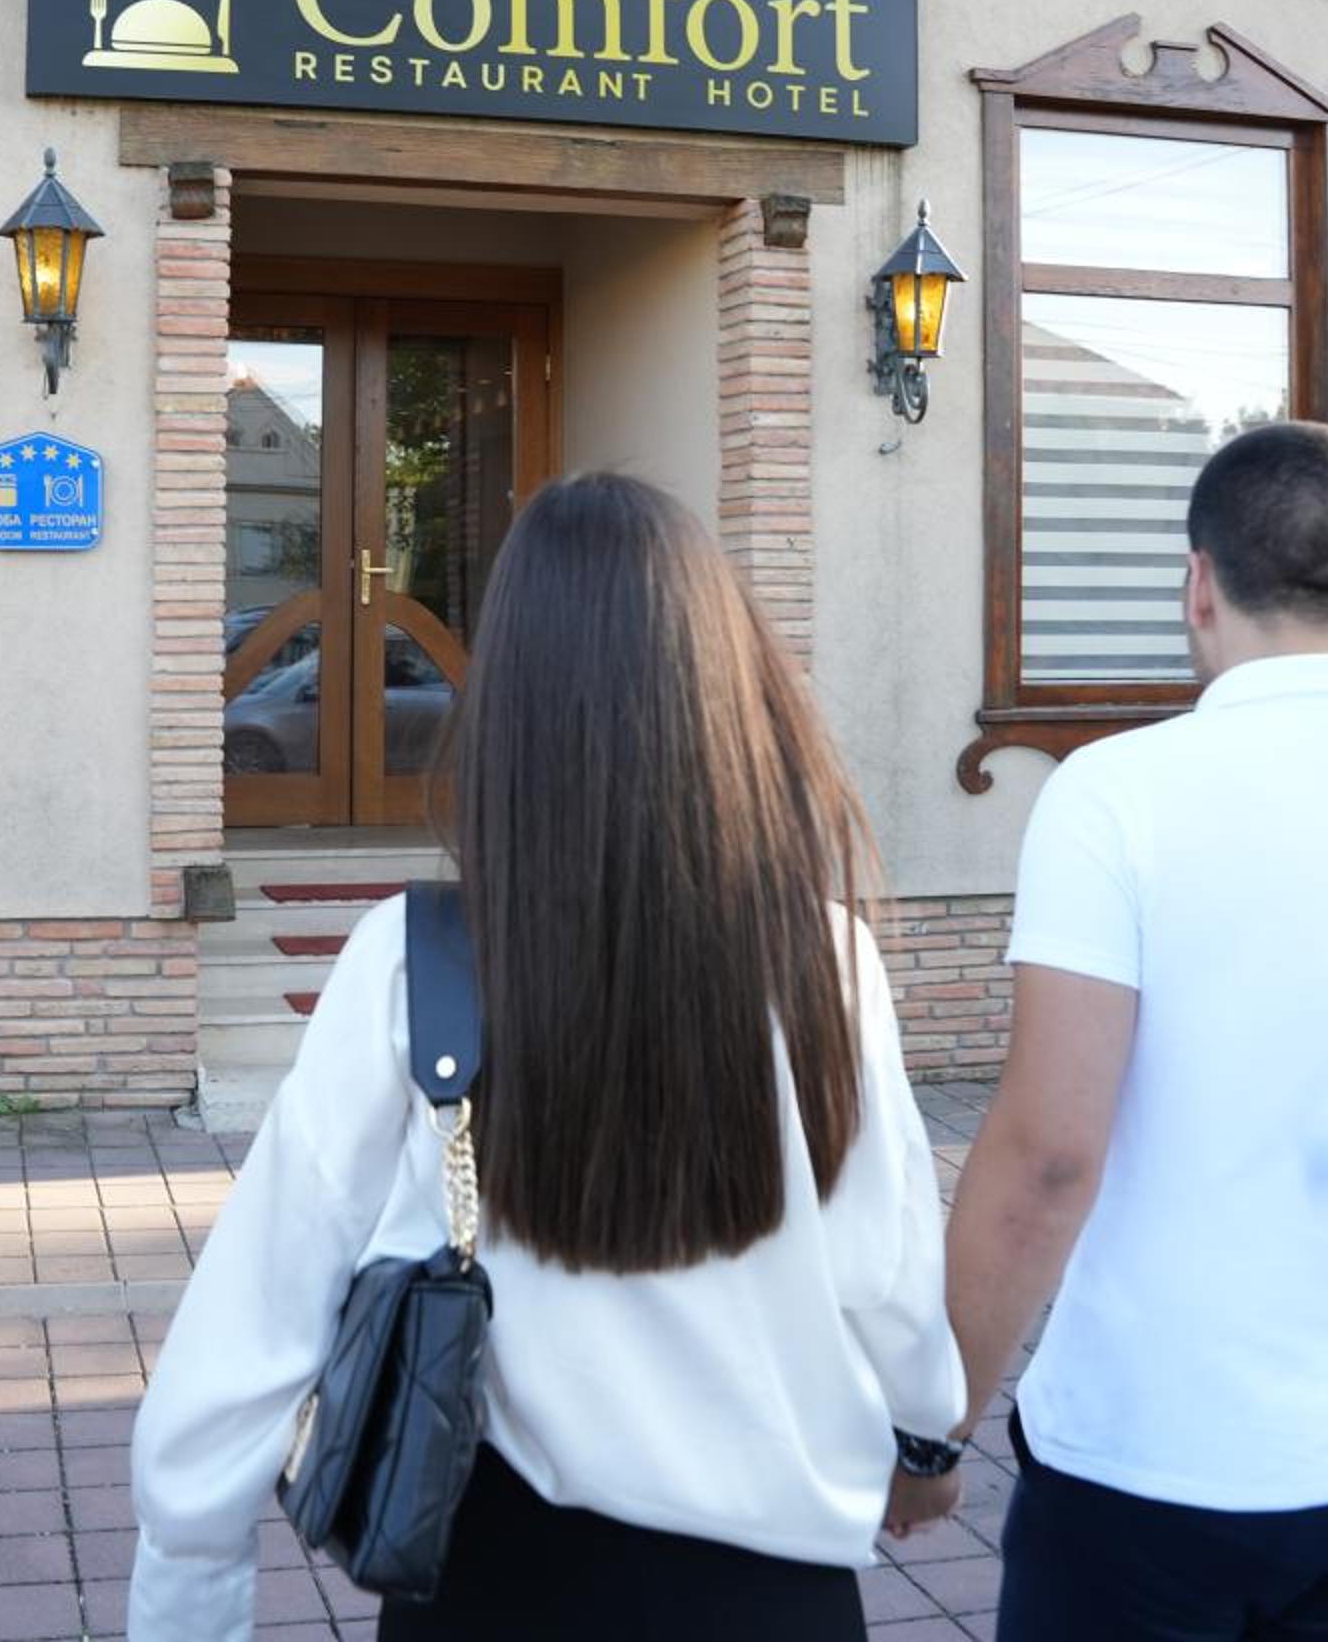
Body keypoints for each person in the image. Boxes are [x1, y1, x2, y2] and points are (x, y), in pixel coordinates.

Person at [128, 472, 966, 1641]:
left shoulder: (414, 958)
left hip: (488, 1581)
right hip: (769, 1596)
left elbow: (258, 1315)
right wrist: (926, 1439)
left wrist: (188, 1594)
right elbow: (886, 1270)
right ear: (727, 689)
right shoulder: (827, 954)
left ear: (506, 702)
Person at [926, 421, 1328, 1640]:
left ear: (1198, 583)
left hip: (1167, 1459)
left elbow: (1047, 1158)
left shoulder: (1116, 795)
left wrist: (935, 1424)